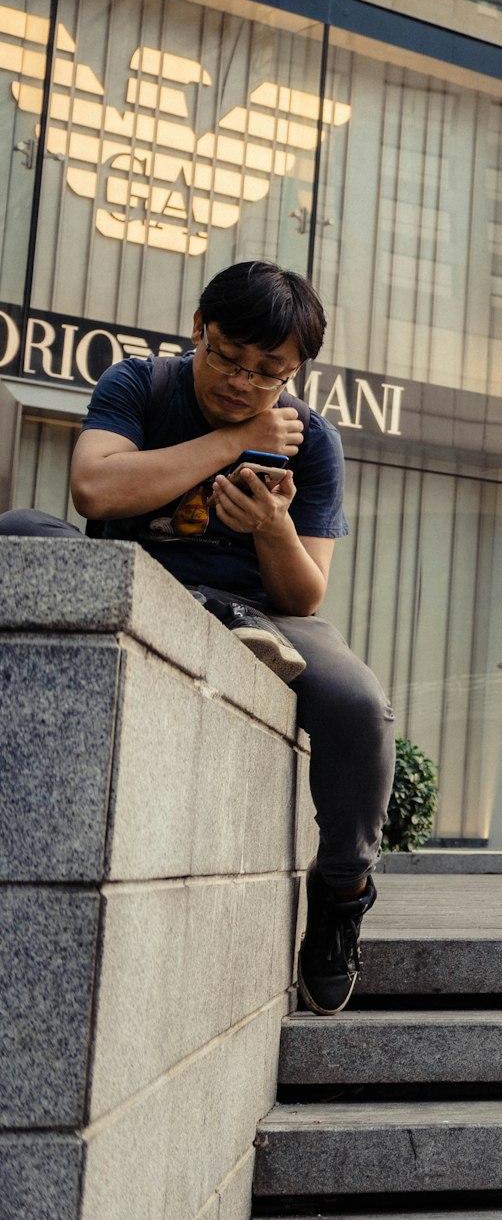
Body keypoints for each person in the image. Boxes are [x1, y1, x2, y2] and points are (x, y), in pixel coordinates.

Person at [0, 260, 395, 1012]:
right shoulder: (141, 385)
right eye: (228, 358)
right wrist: (235, 439)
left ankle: (344, 888)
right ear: (197, 331)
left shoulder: (312, 442)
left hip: (264, 611)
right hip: (138, 580)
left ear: (297, 370)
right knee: (20, 529)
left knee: (358, 705)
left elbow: (307, 589)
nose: (243, 383)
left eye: (268, 373)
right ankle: (216, 626)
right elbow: (96, 488)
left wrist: (273, 527)